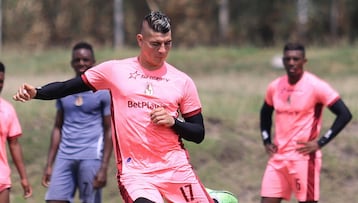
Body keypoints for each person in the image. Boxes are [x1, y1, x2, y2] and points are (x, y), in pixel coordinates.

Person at [13, 11, 214, 203]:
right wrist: (37, 92)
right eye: (155, 44)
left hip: (176, 169)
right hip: (136, 173)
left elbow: (198, 134)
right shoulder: (115, 70)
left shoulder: (182, 81)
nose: (162, 50)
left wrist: (173, 122)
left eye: (167, 43)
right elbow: (68, 87)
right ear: (140, 40)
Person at [259, 42, 352, 203]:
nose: (292, 63)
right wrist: (266, 140)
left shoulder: (316, 86)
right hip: (278, 158)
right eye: (288, 59)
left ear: (304, 61)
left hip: (303, 158)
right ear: (283, 61)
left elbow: (344, 114)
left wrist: (321, 142)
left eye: (296, 59)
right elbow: (265, 113)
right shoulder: (275, 86)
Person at [41, 42, 113, 203]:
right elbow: (57, 127)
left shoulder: (103, 92)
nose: (81, 63)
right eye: (77, 60)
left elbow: (110, 130)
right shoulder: (64, 91)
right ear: (72, 63)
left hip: (91, 156)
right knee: (54, 200)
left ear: (93, 62)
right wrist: (49, 164)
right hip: (65, 155)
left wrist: (104, 167)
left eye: (85, 60)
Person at [0, 62, 32, 203]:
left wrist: (24, 178)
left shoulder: (7, 110)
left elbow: (14, 144)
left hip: (1, 178)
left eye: (1, 81)